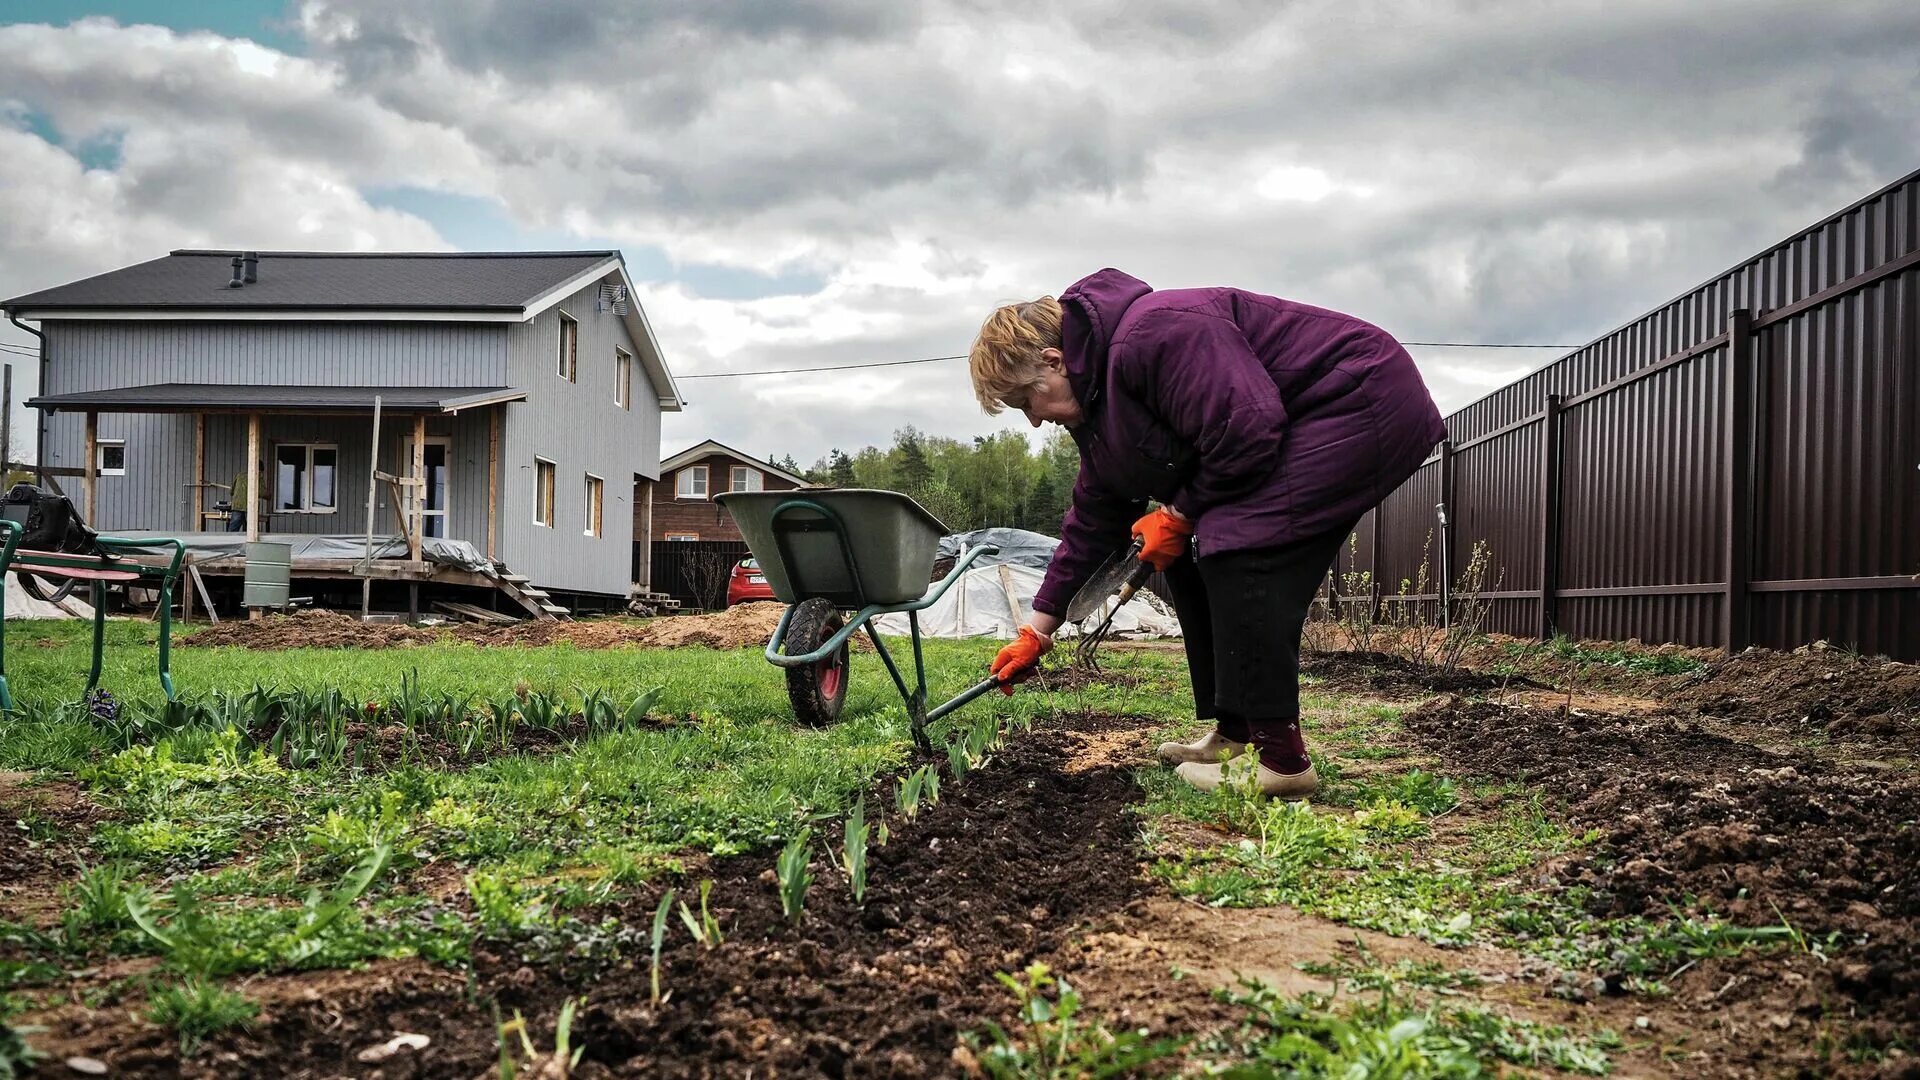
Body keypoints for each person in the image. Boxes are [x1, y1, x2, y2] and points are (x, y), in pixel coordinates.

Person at [970, 269, 1445, 798]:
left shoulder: (1154, 334)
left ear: (1055, 363)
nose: (1033, 421)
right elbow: (1091, 521)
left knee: (1239, 542)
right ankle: (1235, 731)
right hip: (1306, 417)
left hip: (1358, 396)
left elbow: (1248, 428)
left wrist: (1178, 511)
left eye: (1025, 403)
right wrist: (1038, 630)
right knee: (1190, 551)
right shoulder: (1100, 412)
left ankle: (1284, 763)